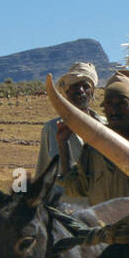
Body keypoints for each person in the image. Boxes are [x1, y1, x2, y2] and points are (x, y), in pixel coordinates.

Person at [57, 68, 129, 205]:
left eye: (122, 104)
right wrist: (63, 143)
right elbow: (75, 189)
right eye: (109, 104)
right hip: (101, 225)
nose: (114, 110)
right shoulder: (93, 148)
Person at [36, 62, 99, 206]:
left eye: (85, 86)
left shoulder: (106, 126)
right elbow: (42, 173)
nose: (81, 90)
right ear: (67, 92)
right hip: (64, 210)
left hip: (99, 209)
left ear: (92, 92)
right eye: (75, 86)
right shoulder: (51, 129)